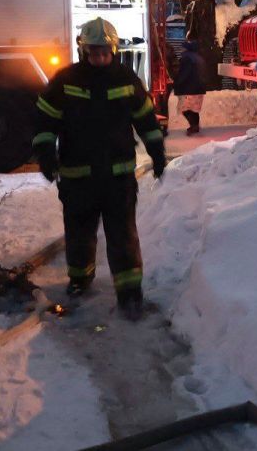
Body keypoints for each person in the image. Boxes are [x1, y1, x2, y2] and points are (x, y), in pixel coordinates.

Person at [32, 17, 166, 320]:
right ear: (84, 50)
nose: (100, 58)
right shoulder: (65, 81)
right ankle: (80, 279)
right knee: (79, 232)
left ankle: (130, 293)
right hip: (77, 177)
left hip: (118, 177)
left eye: (105, 52)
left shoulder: (126, 80)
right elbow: (44, 121)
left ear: (114, 50)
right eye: (94, 52)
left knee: (123, 235)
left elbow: (146, 120)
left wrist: (157, 152)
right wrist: (45, 153)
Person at [174, 32, 207, 135]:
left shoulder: (187, 58)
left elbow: (184, 74)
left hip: (189, 89)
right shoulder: (199, 58)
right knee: (193, 110)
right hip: (198, 88)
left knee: (186, 109)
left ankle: (194, 126)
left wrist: (176, 83)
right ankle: (195, 126)